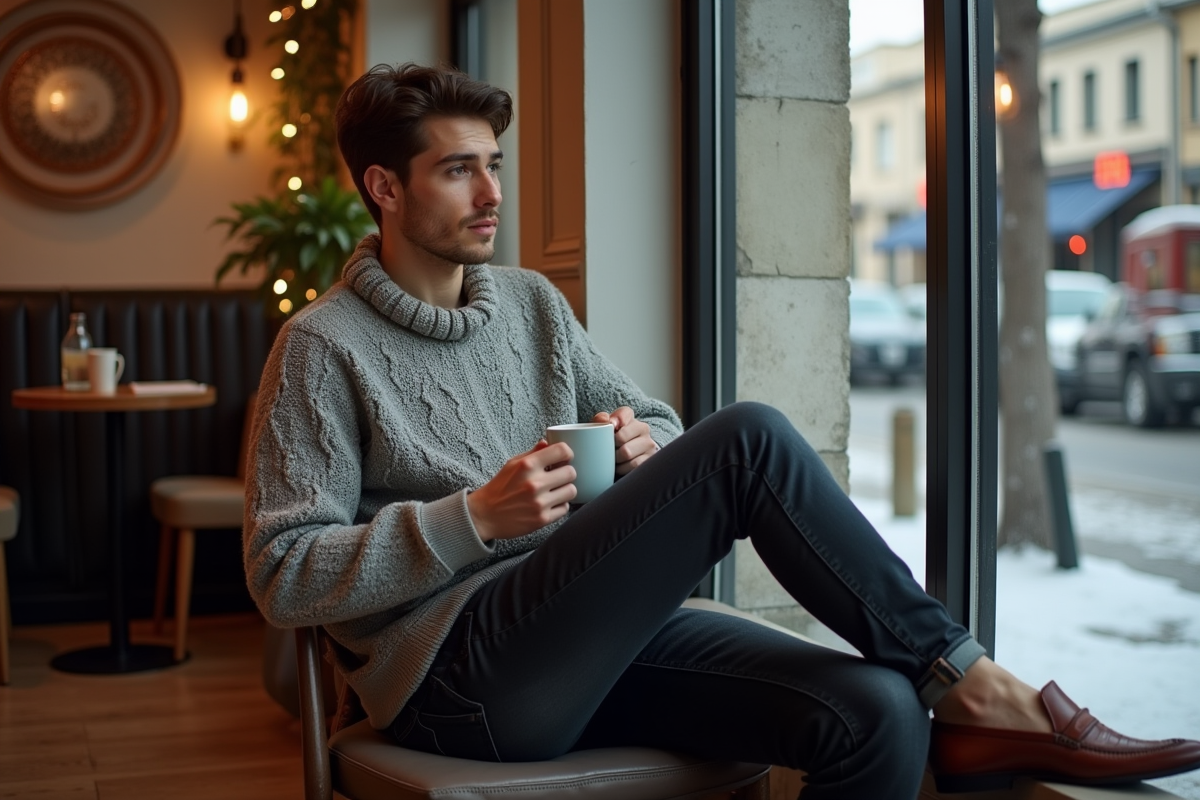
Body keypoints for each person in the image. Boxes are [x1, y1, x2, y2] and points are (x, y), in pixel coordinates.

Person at [243, 63, 1200, 799]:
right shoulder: (322, 348)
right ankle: (975, 681)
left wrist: (641, 442)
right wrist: (472, 520)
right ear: (384, 186)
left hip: (588, 641)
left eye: (494, 164)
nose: (492, 192)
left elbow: (652, 416)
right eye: (458, 170)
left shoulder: (532, 305)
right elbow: (282, 572)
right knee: (748, 439)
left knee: (876, 712)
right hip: (458, 682)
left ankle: (944, 687)